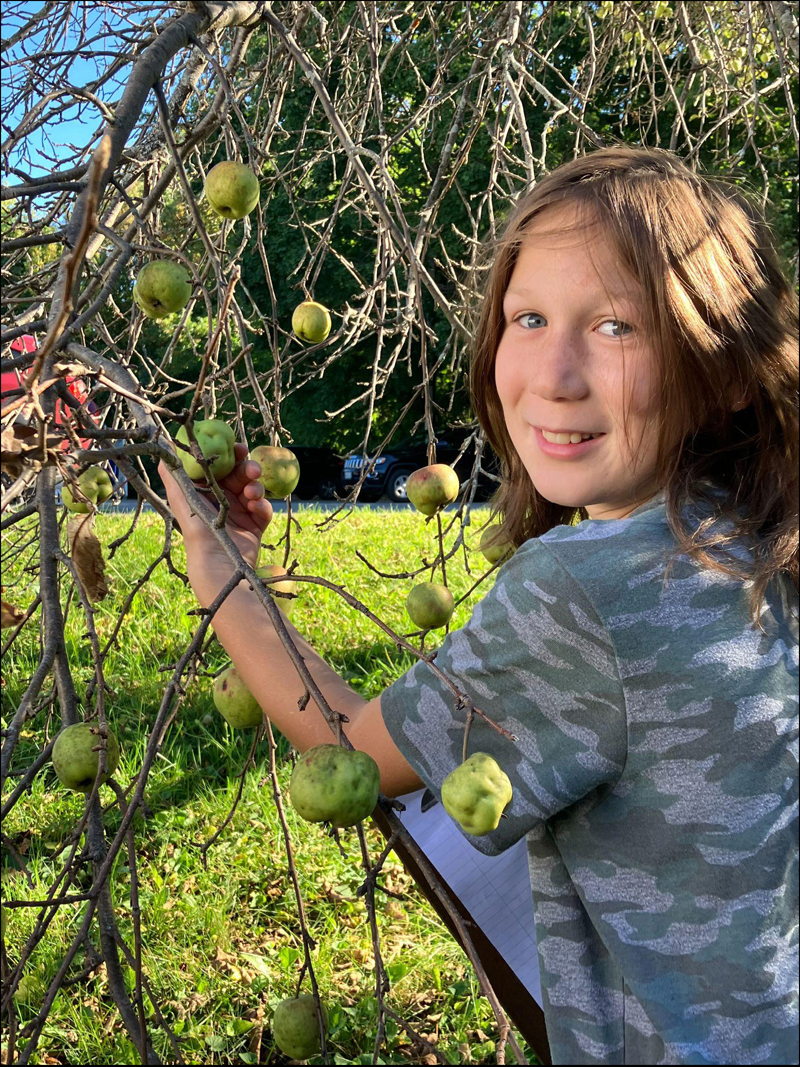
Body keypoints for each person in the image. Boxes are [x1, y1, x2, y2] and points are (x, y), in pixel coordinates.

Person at [159, 146, 799, 1066]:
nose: (553, 373)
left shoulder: (589, 590)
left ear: (728, 367)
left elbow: (346, 757)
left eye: (618, 327)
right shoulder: (759, 536)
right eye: (528, 317)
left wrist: (220, 565)